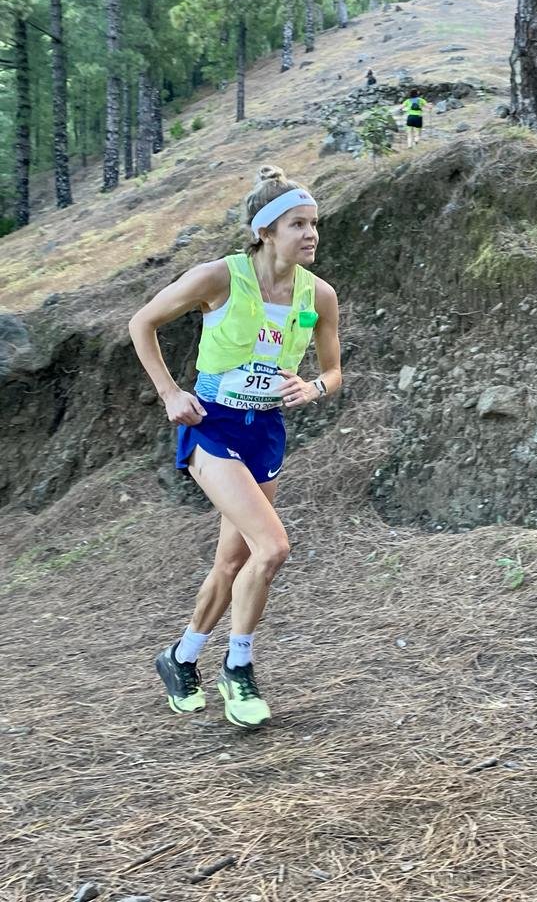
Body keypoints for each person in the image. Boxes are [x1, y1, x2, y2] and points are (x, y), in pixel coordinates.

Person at [129, 165, 342, 729]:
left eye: (315, 222)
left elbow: (334, 370)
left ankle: (179, 658)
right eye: (299, 223)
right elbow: (141, 323)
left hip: (266, 431)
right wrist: (170, 392)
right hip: (212, 425)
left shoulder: (319, 294)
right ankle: (238, 668)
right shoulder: (217, 277)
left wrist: (314, 386)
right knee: (272, 547)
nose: (312, 233)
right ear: (266, 231)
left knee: (234, 559)